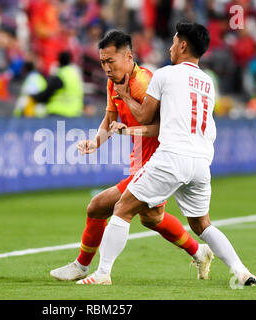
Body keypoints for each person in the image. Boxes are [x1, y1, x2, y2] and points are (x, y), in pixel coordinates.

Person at [77, 22, 256, 287]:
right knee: (203, 225)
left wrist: (125, 97)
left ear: (183, 46)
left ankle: (102, 273)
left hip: (172, 156)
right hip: (201, 161)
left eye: (174, 42)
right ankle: (243, 272)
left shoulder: (164, 75)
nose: (170, 47)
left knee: (121, 209)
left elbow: (143, 116)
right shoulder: (208, 82)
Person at [50, 30, 213, 282]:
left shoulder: (144, 83)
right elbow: (110, 118)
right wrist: (96, 143)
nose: (105, 67)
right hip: (139, 162)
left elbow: (161, 127)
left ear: (128, 57)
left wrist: (130, 126)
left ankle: (87, 268)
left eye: (110, 61)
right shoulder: (113, 81)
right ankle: (199, 251)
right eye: (102, 62)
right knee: (152, 218)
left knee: (98, 206)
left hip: (157, 162)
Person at [28, 51, 84, 117]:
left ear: (58, 61)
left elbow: (46, 93)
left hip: (59, 112)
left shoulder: (60, 75)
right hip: (75, 112)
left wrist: (33, 97)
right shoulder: (75, 74)